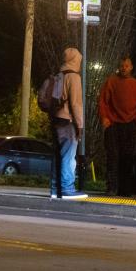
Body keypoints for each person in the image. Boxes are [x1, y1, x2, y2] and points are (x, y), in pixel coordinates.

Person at [98, 55, 136, 196]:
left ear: (131, 67)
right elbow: (103, 101)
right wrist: (105, 118)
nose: (124, 68)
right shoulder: (111, 82)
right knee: (113, 157)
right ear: (119, 66)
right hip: (113, 124)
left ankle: (125, 189)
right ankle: (112, 187)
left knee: (128, 158)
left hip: (131, 125)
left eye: (126, 65)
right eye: (122, 65)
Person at [50, 47, 88, 200]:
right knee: (68, 156)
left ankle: (55, 188)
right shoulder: (74, 77)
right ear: (76, 60)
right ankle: (66, 188)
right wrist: (80, 125)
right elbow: (76, 103)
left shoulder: (58, 76)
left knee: (57, 156)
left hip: (55, 119)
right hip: (68, 120)